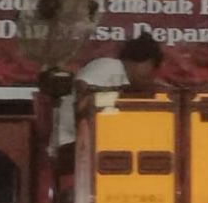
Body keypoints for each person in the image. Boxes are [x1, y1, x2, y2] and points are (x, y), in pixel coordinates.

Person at [52, 33, 164, 175]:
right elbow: (81, 96)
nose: (152, 76)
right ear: (145, 62)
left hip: (100, 146)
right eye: (152, 68)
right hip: (72, 146)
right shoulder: (108, 67)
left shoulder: (131, 83)